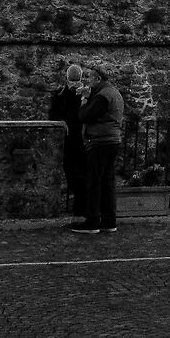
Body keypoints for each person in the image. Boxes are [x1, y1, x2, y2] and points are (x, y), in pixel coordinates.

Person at [71, 62, 124, 234]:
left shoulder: (103, 96)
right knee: (107, 181)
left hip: (100, 142)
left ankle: (93, 220)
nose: (88, 81)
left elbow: (85, 115)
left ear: (98, 78)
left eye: (90, 78)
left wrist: (84, 99)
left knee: (94, 181)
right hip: (111, 141)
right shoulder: (113, 92)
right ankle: (109, 220)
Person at [47, 61, 88, 222]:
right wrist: (61, 122)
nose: (74, 83)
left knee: (82, 173)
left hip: (81, 138)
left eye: (76, 79)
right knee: (70, 171)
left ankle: (81, 208)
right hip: (68, 138)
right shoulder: (60, 94)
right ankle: (78, 206)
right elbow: (53, 113)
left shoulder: (85, 94)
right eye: (72, 79)